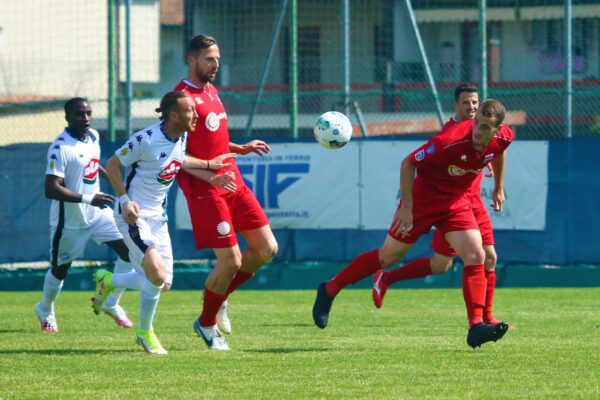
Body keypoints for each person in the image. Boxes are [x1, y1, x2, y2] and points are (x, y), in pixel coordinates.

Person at [312, 99, 514, 348]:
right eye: (476, 123)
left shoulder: (504, 137)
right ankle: (330, 289)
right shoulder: (448, 141)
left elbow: (499, 152)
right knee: (388, 257)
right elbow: (409, 163)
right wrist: (407, 208)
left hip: (455, 203)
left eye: (485, 127)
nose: (478, 130)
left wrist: (498, 188)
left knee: (476, 254)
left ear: (498, 128)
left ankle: (476, 326)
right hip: (422, 201)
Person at [92, 91, 233, 355]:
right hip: (133, 216)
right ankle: (145, 332)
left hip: (158, 218)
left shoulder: (182, 135)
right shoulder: (146, 139)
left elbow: (177, 160)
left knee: (163, 282)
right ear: (172, 115)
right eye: (190, 110)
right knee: (155, 275)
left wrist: (208, 166)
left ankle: (110, 280)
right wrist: (124, 200)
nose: (196, 114)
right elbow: (111, 165)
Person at [173, 34, 278, 351]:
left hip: (234, 182)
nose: (216, 64)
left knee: (266, 249)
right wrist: (210, 174)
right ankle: (206, 323)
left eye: (217, 58)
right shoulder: (180, 99)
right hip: (207, 189)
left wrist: (240, 148)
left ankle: (219, 298)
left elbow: (213, 140)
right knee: (230, 261)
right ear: (192, 60)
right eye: (209, 59)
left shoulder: (212, 92)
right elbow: (175, 155)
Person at [372, 84, 505, 327]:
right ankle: (387, 277)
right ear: (456, 105)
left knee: (483, 258)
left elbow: (498, 149)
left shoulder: (488, 128)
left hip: (472, 203)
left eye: (475, 102)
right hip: (451, 205)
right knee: (444, 264)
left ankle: (486, 318)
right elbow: (419, 163)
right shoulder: (452, 133)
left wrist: (497, 184)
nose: (472, 107)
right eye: (466, 103)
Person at [35, 97, 136, 333]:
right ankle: (45, 308)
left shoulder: (93, 137)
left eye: (89, 113)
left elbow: (90, 166)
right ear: (67, 117)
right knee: (60, 270)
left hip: (99, 214)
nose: (86, 118)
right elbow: (51, 188)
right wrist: (88, 198)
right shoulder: (60, 148)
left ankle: (111, 302)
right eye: (80, 114)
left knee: (131, 252)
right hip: (70, 221)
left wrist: (109, 177)